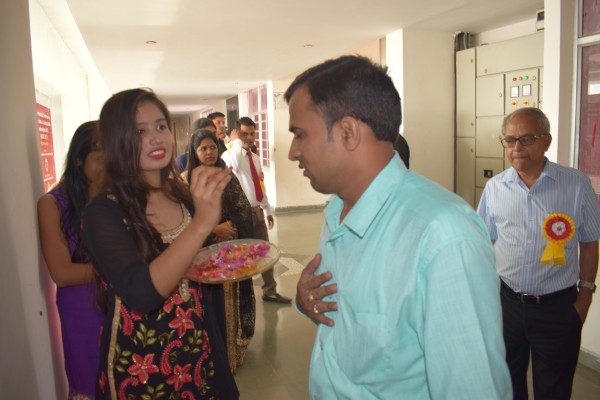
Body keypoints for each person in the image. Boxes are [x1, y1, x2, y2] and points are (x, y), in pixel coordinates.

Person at [287, 55, 512, 399]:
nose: (292, 152)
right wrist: (309, 304)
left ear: (348, 132)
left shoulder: (442, 236)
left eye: (300, 135)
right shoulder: (337, 211)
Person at [81, 88, 238, 399]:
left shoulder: (182, 197)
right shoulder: (103, 212)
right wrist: (203, 223)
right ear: (117, 141)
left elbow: (197, 267)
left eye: (161, 126)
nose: (156, 138)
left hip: (197, 347)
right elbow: (141, 294)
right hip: (140, 362)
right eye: (140, 131)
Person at [477, 107, 600, 400]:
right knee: (507, 384)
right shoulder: (495, 188)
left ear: (547, 140)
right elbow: (483, 246)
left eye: (527, 138)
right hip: (507, 305)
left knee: (554, 390)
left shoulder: (576, 184)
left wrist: (584, 297)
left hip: (558, 308)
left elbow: (590, 242)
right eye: (510, 140)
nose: (517, 147)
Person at [37, 120, 105, 400]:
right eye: (100, 151)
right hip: (82, 309)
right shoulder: (52, 204)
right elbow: (62, 273)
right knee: (90, 382)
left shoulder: (117, 198)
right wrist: (120, 271)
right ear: (79, 158)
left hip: (122, 302)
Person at [185, 129, 256, 373]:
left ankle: (230, 355)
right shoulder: (186, 181)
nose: (209, 152)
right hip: (200, 254)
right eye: (203, 148)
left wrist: (229, 226)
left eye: (213, 147)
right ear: (194, 152)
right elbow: (185, 218)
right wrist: (214, 229)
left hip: (228, 252)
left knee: (229, 304)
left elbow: (243, 208)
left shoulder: (226, 176)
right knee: (206, 305)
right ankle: (209, 357)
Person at [221, 117, 291, 304]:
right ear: (237, 134)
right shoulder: (229, 156)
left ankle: (270, 291)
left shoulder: (255, 158)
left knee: (265, 253)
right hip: (240, 216)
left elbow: (260, 185)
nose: (249, 138)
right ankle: (242, 298)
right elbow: (235, 165)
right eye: (244, 134)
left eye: (252, 134)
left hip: (257, 212)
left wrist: (266, 210)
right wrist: (236, 142)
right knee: (241, 257)